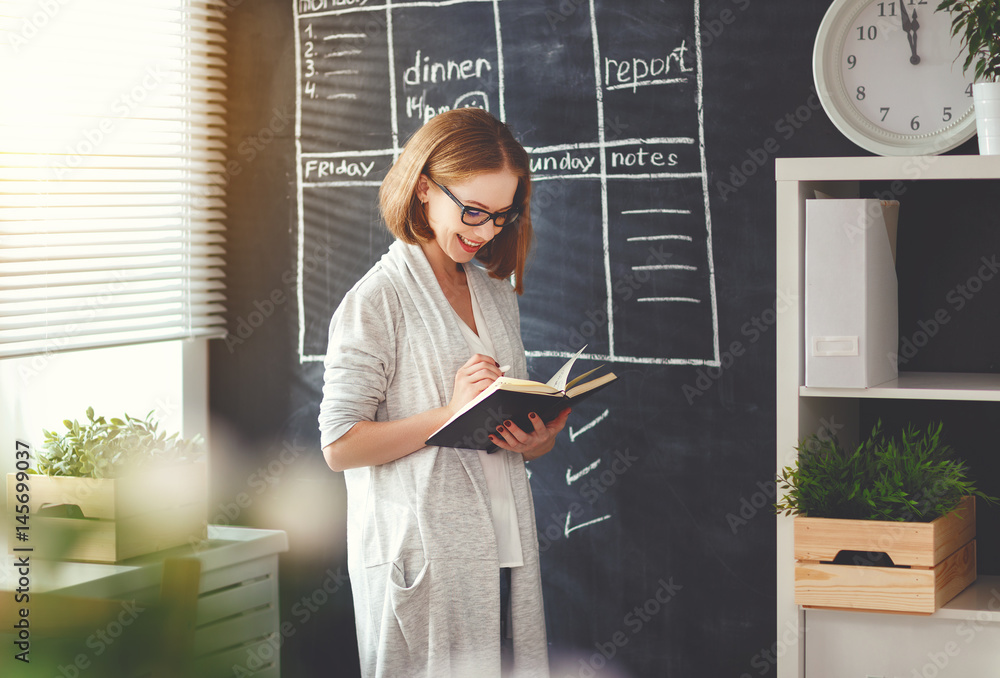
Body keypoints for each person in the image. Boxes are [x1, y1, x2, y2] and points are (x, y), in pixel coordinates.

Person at [318, 107, 569, 678]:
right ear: (425, 189)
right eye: (473, 212)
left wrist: (535, 440)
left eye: (501, 217)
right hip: (426, 556)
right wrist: (450, 413)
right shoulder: (376, 301)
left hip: (502, 549)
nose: (485, 233)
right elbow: (340, 446)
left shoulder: (496, 293)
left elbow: (504, 438)